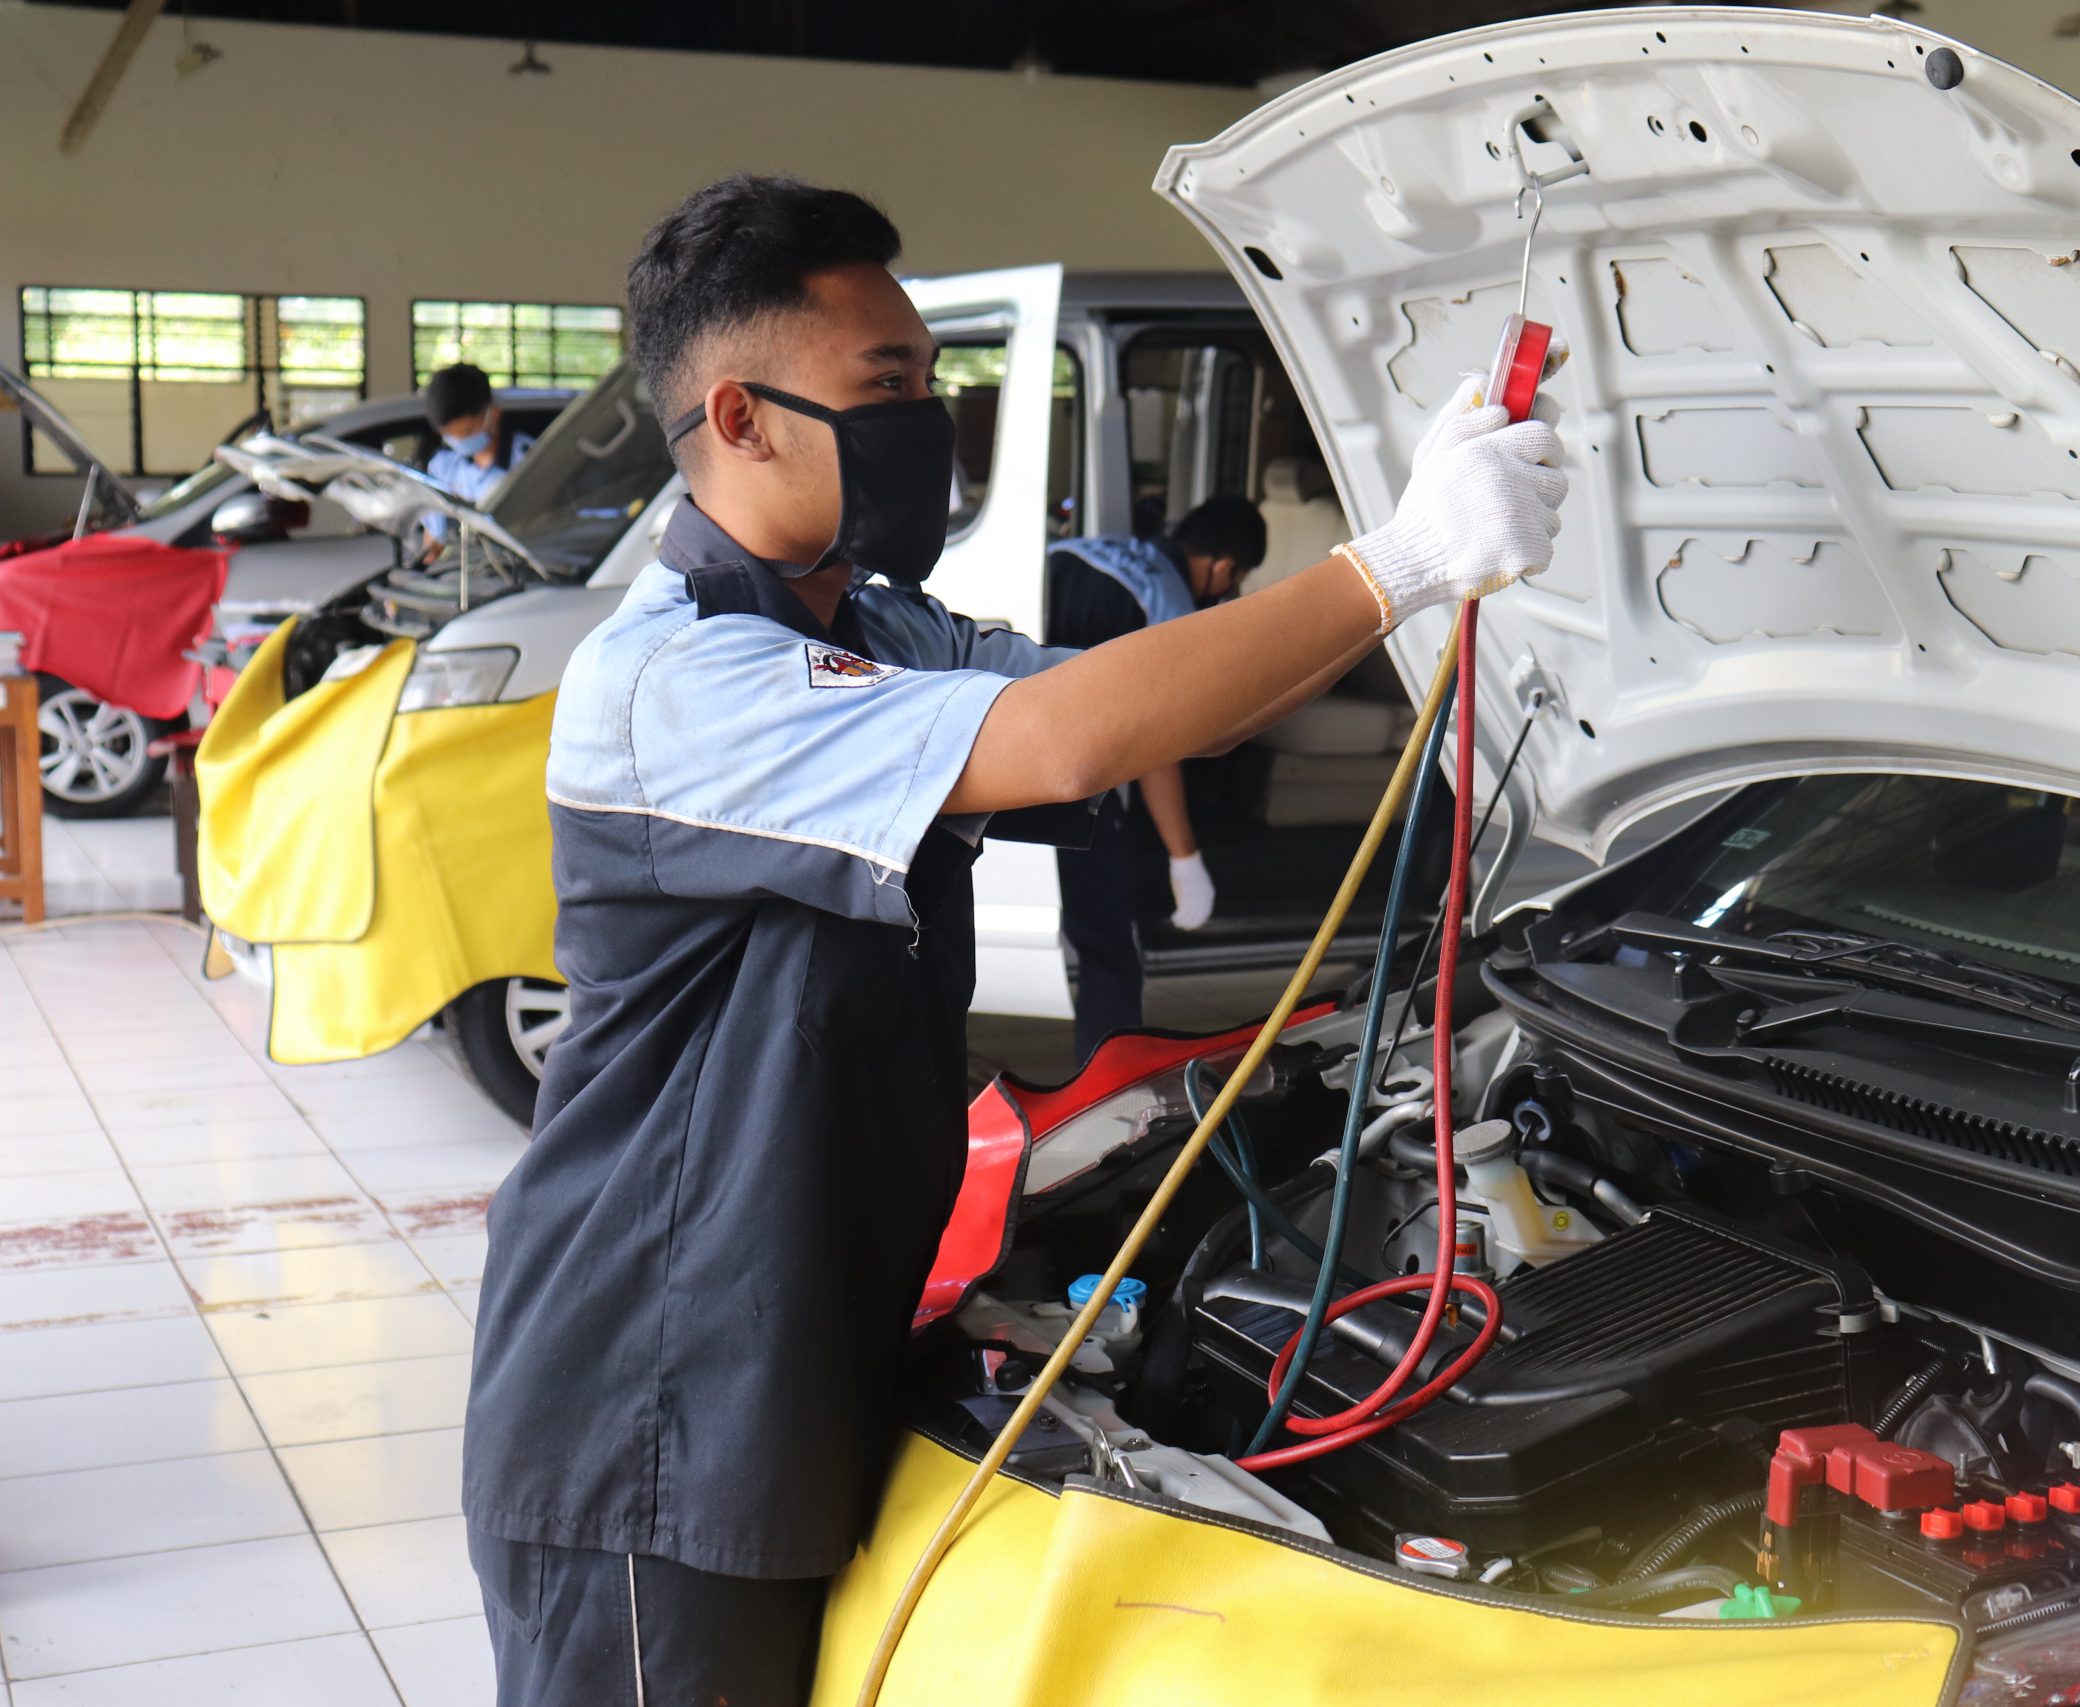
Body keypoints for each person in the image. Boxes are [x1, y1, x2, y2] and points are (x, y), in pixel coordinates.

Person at [460, 173, 1565, 1705]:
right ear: (743, 412)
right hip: (653, 1387)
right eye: (892, 386)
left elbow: (1124, 709)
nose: (935, 416)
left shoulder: (877, 630)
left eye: (935, 380)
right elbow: (1051, 737)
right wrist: (1396, 561)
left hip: (794, 1331)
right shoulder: (673, 685)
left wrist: (1417, 547)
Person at [1046, 496, 1265, 1060]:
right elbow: (1158, 747)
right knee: (1111, 949)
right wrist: (1185, 857)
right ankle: (1110, 1089)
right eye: (1235, 577)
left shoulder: (1085, 547)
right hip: (1073, 774)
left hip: (1002, 741)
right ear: (1222, 566)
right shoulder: (1168, 604)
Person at [419, 362, 537, 555]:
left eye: (466, 432)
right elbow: (432, 546)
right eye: (449, 434)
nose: (458, 441)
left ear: (494, 413)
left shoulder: (527, 462)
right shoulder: (443, 466)